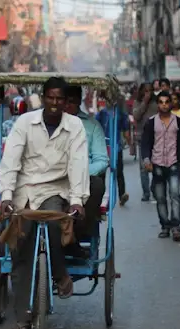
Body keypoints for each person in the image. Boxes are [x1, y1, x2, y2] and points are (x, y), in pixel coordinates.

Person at [0, 77, 89, 329]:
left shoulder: (75, 126)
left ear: (64, 101)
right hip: (25, 190)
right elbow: (11, 159)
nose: (55, 103)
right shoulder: (25, 122)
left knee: (54, 224)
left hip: (55, 188)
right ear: (43, 96)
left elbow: (78, 163)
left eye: (60, 99)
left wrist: (77, 200)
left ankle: (59, 272)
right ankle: (24, 313)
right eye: (51, 97)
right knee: (20, 246)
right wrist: (5, 195)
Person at [141, 91, 180, 242]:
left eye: (166, 102)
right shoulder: (151, 122)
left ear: (170, 103)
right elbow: (145, 143)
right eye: (161, 102)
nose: (164, 105)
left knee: (175, 194)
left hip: (174, 163)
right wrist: (147, 160)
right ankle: (165, 226)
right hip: (157, 165)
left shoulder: (179, 122)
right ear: (158, 104)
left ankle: (176, 226)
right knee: (160, 197)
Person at [65, 85, 109, 247]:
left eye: (71, 102)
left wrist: (79, 172)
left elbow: (101, 160)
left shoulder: (91, 126)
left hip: (83, 176)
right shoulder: (46, 123)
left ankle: (77, 235)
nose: (66, 106)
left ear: (78, 102)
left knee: (96, 185)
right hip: (53, 175)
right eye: (64, 102)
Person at [97, 95, 130, 206]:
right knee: (108, 173)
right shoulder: (103, 113)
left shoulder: (119, 114)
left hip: (112, 147)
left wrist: (129, 142)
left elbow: (126, 130)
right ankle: (104, 196)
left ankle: (119, 195)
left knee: (113, 172)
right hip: (107, 147)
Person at [133, 82, 158, 202]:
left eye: (150, 90)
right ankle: (146, 192)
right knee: (143, 167)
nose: (148, 93)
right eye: (146, 90)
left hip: (156, 138)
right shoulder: (137, 102)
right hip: (141, 137)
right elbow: (136, 116)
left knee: (156, 165)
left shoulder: (156, 103)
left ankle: (154, 189)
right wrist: (144, 103)